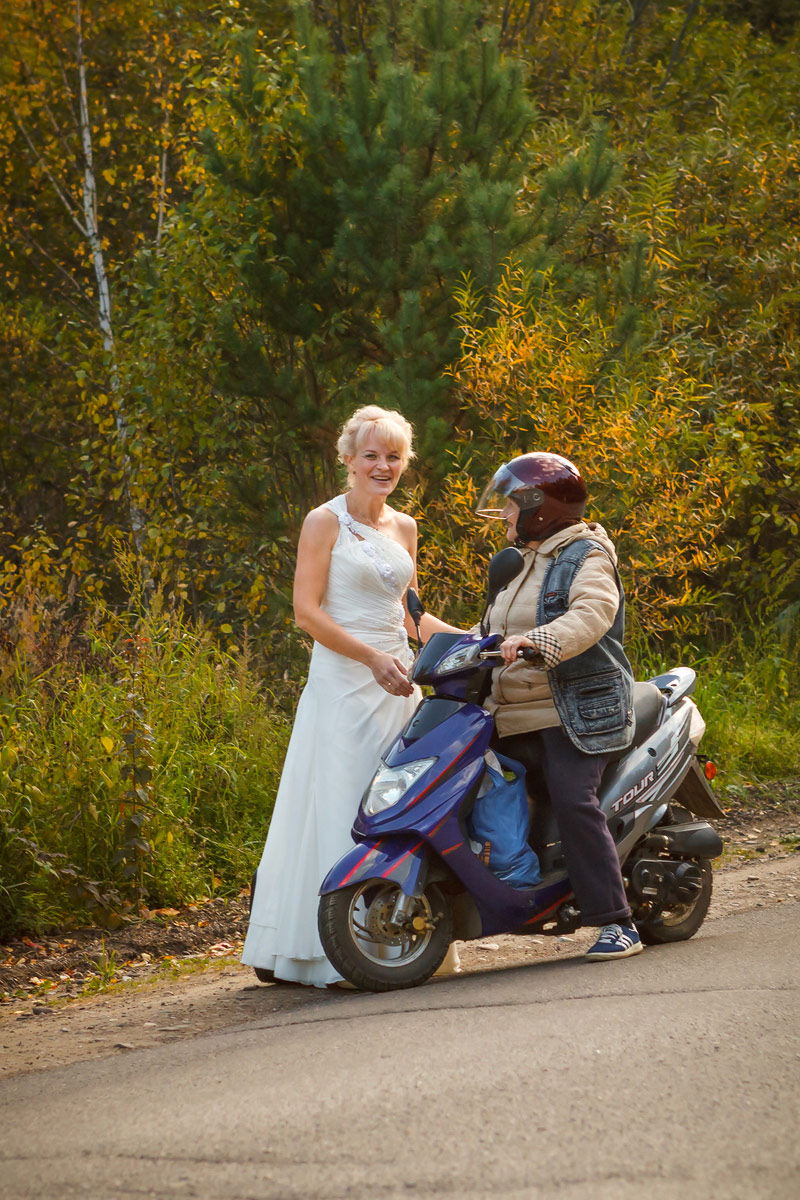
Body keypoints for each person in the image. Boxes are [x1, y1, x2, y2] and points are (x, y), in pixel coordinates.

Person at [242, 405, 459, 987]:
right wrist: (368, 657)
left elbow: (411, 617)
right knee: (341, 804)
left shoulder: (406, 527)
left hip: (398, 679)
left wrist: (474, 639)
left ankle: (399, 935)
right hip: (345, 680)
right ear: (348, 460)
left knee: (400, 803)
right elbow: (306, 612)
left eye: (394, 456)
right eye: (371, 455)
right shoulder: (324, 521)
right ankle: (322, 949)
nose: (383, 466)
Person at [476, 451, 643, 960]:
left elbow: (593, 613)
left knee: (573, 800)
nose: (504, 515)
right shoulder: (518, 564)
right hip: (513, 715)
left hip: (571, 713)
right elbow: (491, 634)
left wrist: (540, 642)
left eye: (510, 505)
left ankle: (618, 923)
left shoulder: (587, 554)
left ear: (538, 505)